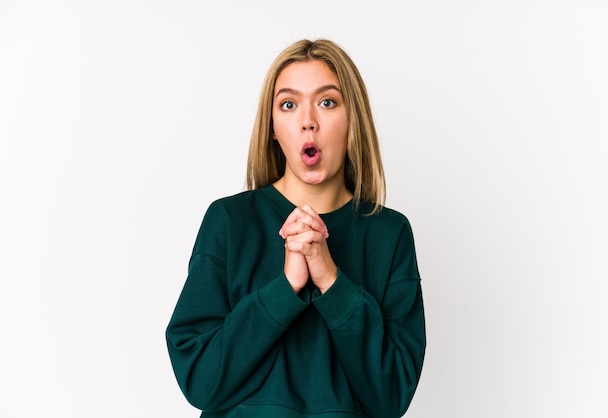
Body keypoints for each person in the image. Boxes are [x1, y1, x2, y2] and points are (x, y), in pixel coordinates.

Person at [166, 38, 426, 418]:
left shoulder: (390, 233)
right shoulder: (228, 221)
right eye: (289, 104)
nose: (308, 121)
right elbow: (200, 381)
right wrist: (284, 289)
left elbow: (391, 397)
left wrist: (332, 281)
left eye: (327, 102)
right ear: (272, 127)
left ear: (353, 119)